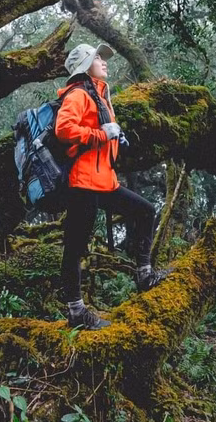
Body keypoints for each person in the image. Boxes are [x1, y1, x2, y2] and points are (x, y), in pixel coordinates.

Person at [54, 43, 169, 329]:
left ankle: (144, 273)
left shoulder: (101, 96)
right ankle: (76, 311)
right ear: (84, 65)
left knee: (145, 211)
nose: (104, 62)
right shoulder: (79, 94)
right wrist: (101, 133)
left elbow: (102, 138)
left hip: (104, 180)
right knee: (75, 247)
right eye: (97, 58)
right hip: (82, 182)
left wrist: (114, 137)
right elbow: (64, 129)